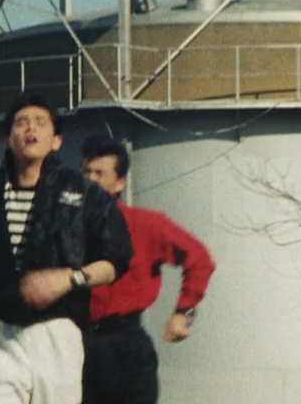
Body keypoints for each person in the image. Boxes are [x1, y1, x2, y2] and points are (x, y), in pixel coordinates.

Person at [0, 91, 133, 404]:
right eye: (21, 123)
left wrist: (69, 278)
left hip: (57, 329)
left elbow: (116, 259)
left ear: (57, 141)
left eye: (40, 122)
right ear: (7, 140)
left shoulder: (83, 194)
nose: (30, 128)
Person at [80, 134, 216, 404]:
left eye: (99, 173)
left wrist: (183, 312)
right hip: (77, 344)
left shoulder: (146, 225)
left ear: (120, 182)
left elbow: (199, 259)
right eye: (86, 172)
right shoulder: (62, 228)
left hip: (125, 344)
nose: (90, 180)